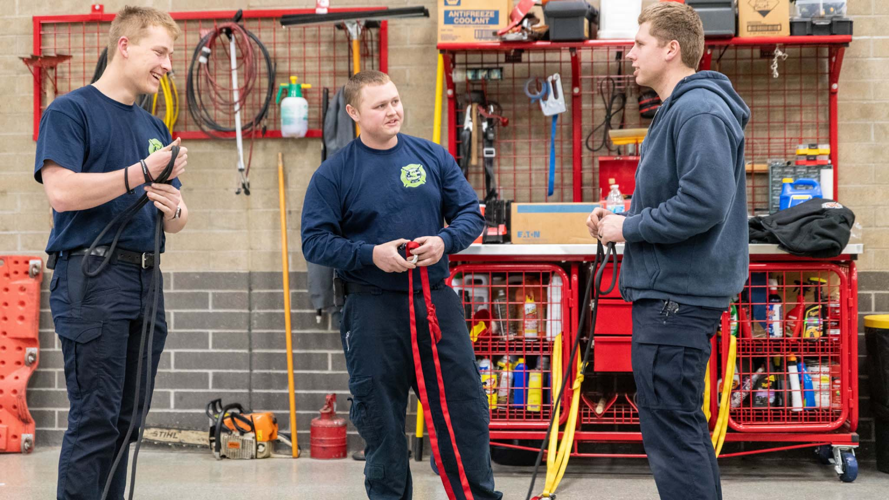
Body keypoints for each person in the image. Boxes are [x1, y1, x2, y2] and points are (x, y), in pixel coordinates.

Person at [301, 70, 501, 500]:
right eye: (380, 105)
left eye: (395, 101)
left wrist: (444, 241)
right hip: (371, 310)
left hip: (435, 304)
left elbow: (470, 212)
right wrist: (371, 254)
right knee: (382, 422)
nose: (393, 111)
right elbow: (314, 242)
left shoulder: (430, 156)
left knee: (463, 412)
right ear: (354, 113)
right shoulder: (334, 174)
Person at [586, 3, 749, 499]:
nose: (629, 53)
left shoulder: (699, 109)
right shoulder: (681, 109)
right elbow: (679, 195)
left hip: (677, 299)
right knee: (679, 429)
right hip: (673, 294)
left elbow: (703, 204)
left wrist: (628, 228)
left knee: (673, 434)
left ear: (671, 49)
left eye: (639, 44)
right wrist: (618, 217)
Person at [33, 7, 188, 499]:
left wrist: (174, 205)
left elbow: (178, 221)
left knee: (127, 420)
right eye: (159, 51)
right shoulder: (70, 110)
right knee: (96, 419)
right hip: (93, 278)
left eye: (170, 54)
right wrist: (143, 172)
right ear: (124, 45)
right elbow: (62, 193)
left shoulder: (154, 127)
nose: (167, 64)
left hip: (146, 281)